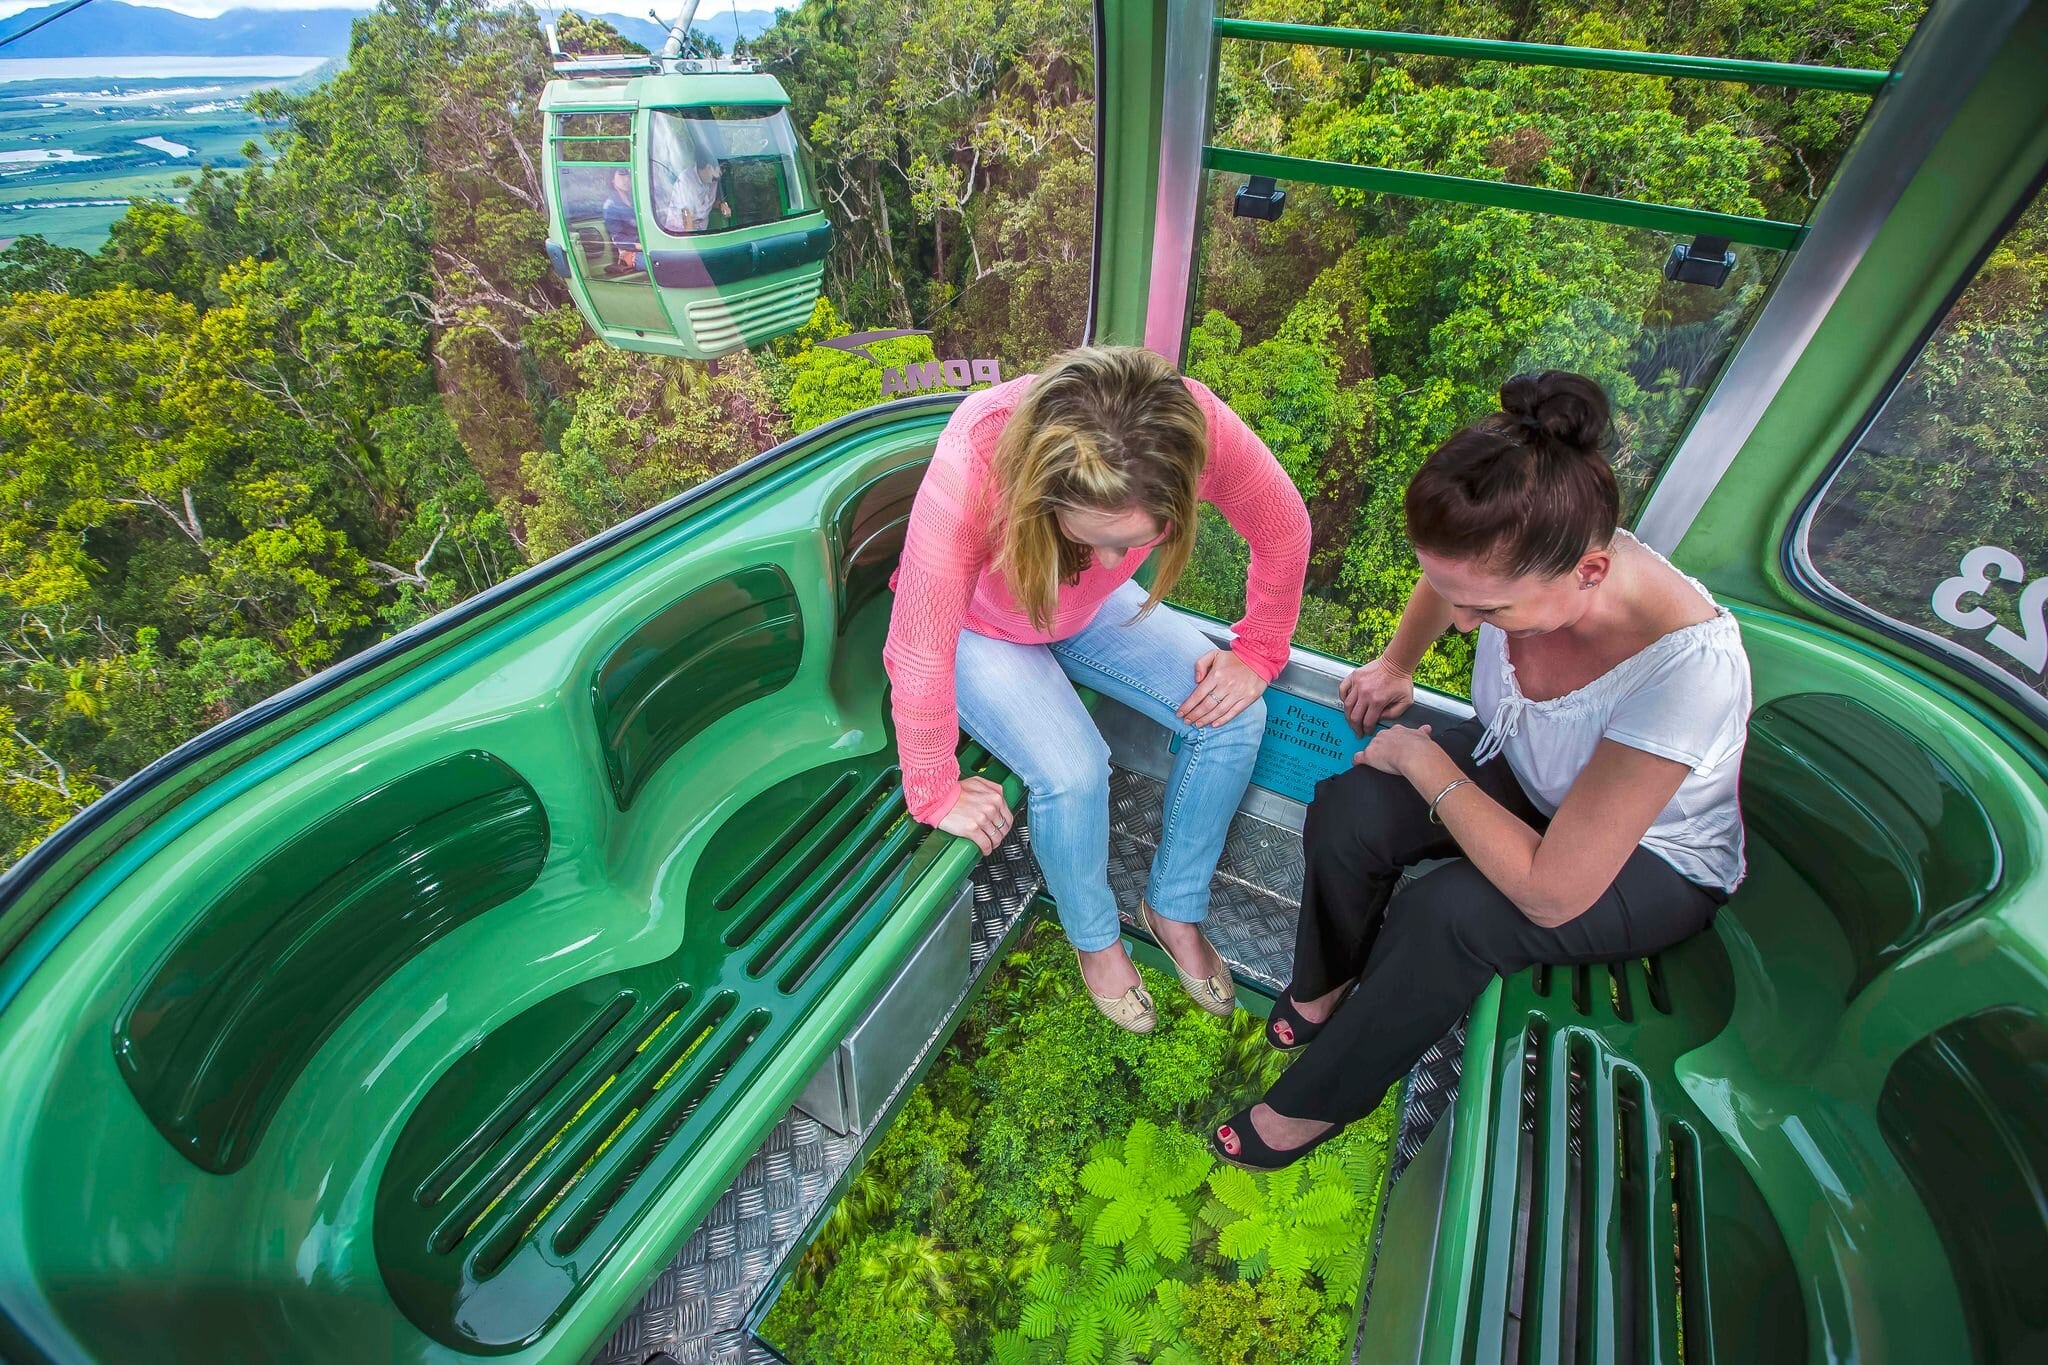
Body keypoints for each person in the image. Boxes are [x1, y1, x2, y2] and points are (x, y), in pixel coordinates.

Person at [1212, 371, 1751, 1170]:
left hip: (1645, 858)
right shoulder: (1521, 555)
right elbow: (1449, 582)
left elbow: (1551, 889)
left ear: (1591, 574)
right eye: (1455, 596)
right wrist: (1399, 663)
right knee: (1354, 804)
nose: (1464, 622)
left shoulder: (1686, 672)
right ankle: (1323, 986)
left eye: (1488, 613)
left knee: (1449, 913)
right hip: (1532, 771)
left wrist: (1427, 759)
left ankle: (1318, 1104)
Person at [884, 345, 1312, 1033]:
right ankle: (1094, 937)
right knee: (1077, 771)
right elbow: (918, 641)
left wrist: (1259, 652)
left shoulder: (1197, 426)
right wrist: (932, 784)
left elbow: (1284, 526)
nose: (1118, 560)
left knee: (1236, 717)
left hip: (1084, 611)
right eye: (1096, 538)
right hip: (982, 624)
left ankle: (1172, 904)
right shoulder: (977, 458)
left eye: (1139, 541)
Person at [601, 167, 641, 273]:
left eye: (628, 175)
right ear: (612, 180)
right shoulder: (610, 206)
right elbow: (618, 239)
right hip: (631, 253)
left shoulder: (636, 200)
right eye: (621, 176)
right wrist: (641, 246)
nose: (626, 179)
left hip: (649, 246)